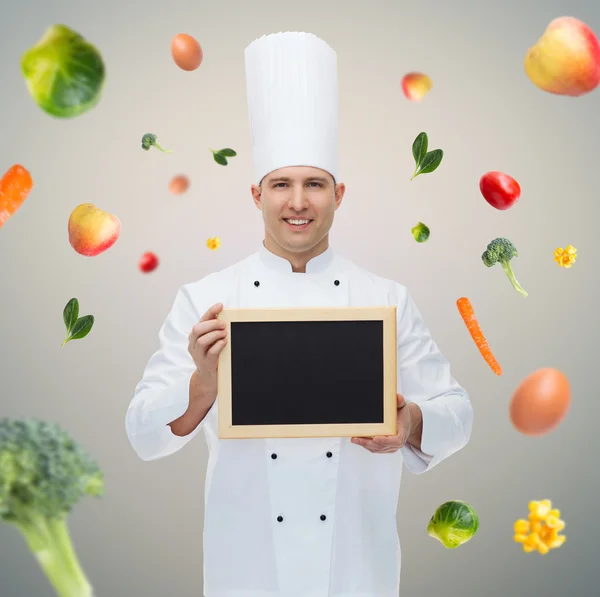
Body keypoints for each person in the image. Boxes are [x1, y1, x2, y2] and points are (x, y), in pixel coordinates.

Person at [125, 31, 473, 597]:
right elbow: (143, 433)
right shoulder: (206, 298)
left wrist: (409, 423)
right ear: (256, 194)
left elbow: (458, 412)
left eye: (314, 184)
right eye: (281, 185)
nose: (298, 202)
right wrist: (201, 386)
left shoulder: (385, 298)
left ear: (339, 193)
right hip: (246, 571)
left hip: (358, 572)